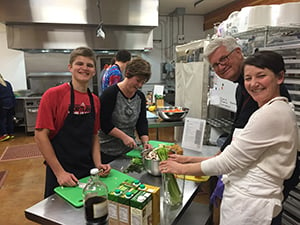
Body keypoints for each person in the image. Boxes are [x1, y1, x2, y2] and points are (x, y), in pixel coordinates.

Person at [166, 37, 299, 224]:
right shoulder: (247, 93)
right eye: (248, 78)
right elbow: (240, 138)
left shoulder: (272, 112)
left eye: (261, 76)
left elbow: (231, 159)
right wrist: (192, 159)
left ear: (279, 77)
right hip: (244, 196)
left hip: (254, 203)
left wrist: (181, 168)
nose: (253, 83)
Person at [35, 46, 111, 198]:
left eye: (89, 65)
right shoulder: (53, 95)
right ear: (70, 67)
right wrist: (60, 172)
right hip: (60, 169)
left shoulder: (95, 100)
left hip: (86, 168)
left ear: (94, 71)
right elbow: (40, 136)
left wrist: (98, 164)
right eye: (79, 64)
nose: (84, 68)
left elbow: (94, 135)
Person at [99, 57, 152, 163]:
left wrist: (145, 141)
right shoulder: (110, 94)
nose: (140, 85)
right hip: (107, 152)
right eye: (137, 80)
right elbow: (104, 124)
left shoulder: (140, 97)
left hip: (129, 151)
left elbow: (141, 122)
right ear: (128, 74)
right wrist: (124, 137)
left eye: (143, 82)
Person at [0, 74, 16, 141]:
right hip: (11, 103)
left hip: (3, 104)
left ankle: (4, 134)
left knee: (2, 120)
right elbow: (12, 94)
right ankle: (11, 133)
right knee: (10, 119)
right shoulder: (7, 83)